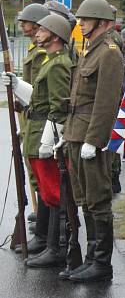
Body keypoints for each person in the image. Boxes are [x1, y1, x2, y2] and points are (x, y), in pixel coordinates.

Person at [2, 14, 74, 268]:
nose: (38, 32)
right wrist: (18, 84)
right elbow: (39, 97)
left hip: (46, 131)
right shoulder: (50, 61)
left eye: (44, 29)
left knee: (54, 192)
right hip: (38, 128)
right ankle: (50, 243)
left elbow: (58, 107)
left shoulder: (58, 64)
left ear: (56, 35)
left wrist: (48, 140)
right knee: (47, 190)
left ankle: (57, 247)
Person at [62, 0, 125, 283]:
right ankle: (90, 259)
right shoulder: (90, 50)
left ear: (101, 21)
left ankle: (102, 263)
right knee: (84, 198)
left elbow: (107, 101)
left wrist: (95, 139)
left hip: (91, 135)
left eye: (86, 20)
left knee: (98, 198)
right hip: (77, 132)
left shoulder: (109, 52)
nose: (81, 24)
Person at [13, 3, 50, 255]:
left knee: (45, 180)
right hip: (31, 117)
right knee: (38, 178)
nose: (22, 26)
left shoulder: (43, 55)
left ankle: (50, 235)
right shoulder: (34, 49)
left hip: (40, 119)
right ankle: (46, 230)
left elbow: (41, 92)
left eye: (26, 22)